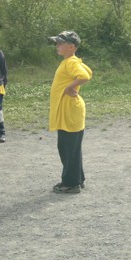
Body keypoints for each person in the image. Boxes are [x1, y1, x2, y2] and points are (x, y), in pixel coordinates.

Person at [48, 30, 93, 194]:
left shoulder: (71, 62)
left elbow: (84, 76)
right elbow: (88, 72)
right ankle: (77, 180)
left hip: (69, 111)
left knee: (67, 147)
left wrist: (69, 87)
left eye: (61, 43)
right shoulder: (71, 61)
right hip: (69, 110)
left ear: (72, 46)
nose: (57, 46)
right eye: (57, 43)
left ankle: (71, 183)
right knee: (71, 147)